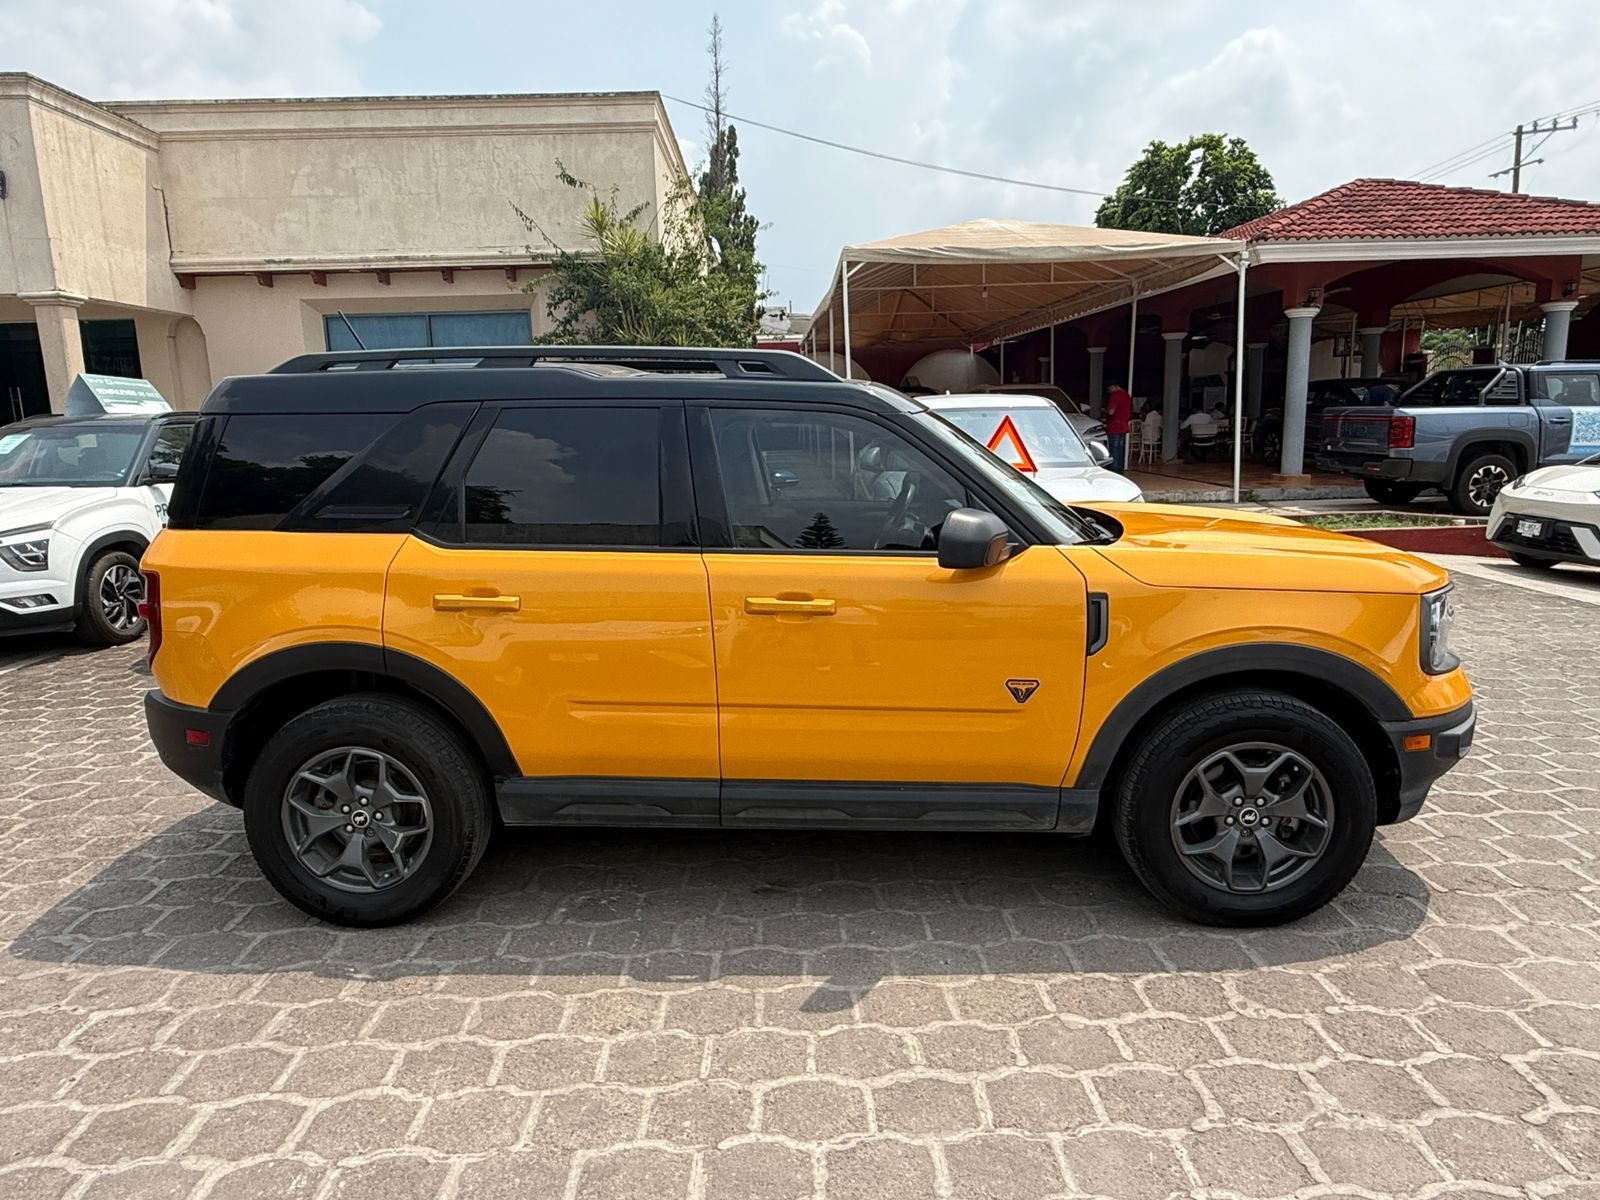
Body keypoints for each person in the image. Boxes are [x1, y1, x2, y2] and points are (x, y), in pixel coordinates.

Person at [1103, 380, 1133, 472]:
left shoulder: (1115, 396)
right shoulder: (1127, 395)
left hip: (1114, 426)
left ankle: (1114, 468)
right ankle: (1120, 466)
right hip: (1123, 426)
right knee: (1120, 448)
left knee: (1113, 448)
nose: (1109, 391)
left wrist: (1104, 411)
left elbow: (1111, 411)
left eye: (1109, 389)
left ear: (1113, 386)